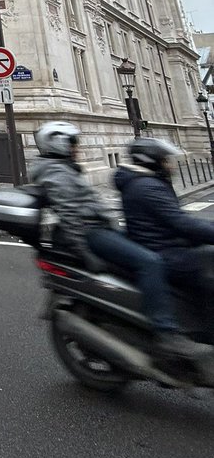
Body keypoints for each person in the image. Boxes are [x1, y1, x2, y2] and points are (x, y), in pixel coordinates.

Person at [29, 122, 209, 363]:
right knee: (150, 261)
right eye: (73, 143)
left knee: (149, 249)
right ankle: (167, 334)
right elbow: (71, 216)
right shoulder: (56, 173)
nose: (77, 148)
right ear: (59, 144)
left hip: (97, 227)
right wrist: (86, 253)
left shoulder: (62, 168)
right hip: (90, 232)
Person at [115, 138, 214, 339]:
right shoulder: (147, 186)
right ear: (152, 161)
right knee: (205, 271)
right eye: (165, 160)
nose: (170, 164)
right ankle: (205, 331)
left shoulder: (145, 182)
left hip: (164, 242)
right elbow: (182, 223)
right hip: (163, 249)